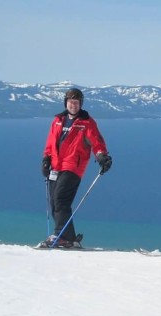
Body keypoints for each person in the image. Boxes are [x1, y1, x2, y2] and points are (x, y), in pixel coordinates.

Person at [39, 88, 112, 248]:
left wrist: (102, 156)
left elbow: (97, 142)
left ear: (80, 104)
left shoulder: (86, 122)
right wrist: (46, 159)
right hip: (56, 165)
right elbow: (51, 142)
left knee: (60, 199)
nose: (73, 105)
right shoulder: (58, 120)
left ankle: (60, 236)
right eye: (71, 102)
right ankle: (68, 238)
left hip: (73, 166)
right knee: (55, 202)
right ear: (66, 103)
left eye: (76, 102)